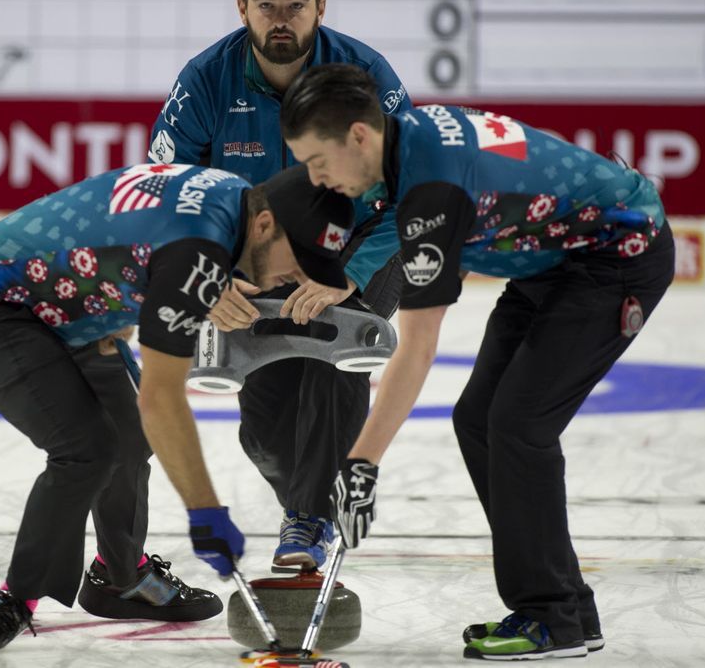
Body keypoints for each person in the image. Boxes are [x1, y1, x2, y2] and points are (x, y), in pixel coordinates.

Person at [281, 64, 676, 661]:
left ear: (358, 135)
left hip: (615, 258)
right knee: (480, 419)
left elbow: (416, 348)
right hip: (551, 261)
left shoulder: (431, 196)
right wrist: (352, 276)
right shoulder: (404, 139)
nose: (320, 181)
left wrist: (360, 465)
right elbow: (406, 220)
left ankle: (553, 618)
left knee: (520, 425)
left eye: (318, 162)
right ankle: (567, 605)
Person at [0, 163, 355, 651]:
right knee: (87, 450)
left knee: (129, 438)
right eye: (299, 262)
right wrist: (205, 512)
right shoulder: (194, 256)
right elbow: (163, 398)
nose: (297, 279)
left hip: (70, 305)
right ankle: (14, 599)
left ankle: (121, 578)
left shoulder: (233, 198)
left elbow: (134, 233)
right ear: (264, 225)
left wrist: (192, 285)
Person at [148, 0, 411, 572]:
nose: (281, 17)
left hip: (359, 241)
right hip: (252, 254)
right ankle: (309, 498)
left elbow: (412, 188)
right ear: (242, 9)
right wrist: (206, 277)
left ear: (321, 8)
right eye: (266, 4)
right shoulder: (205, 79)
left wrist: (348, 275)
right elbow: (167, 192)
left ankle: (310, 518)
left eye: (295, 5)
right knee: (263, 425)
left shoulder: (364, 73)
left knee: (329, 356)